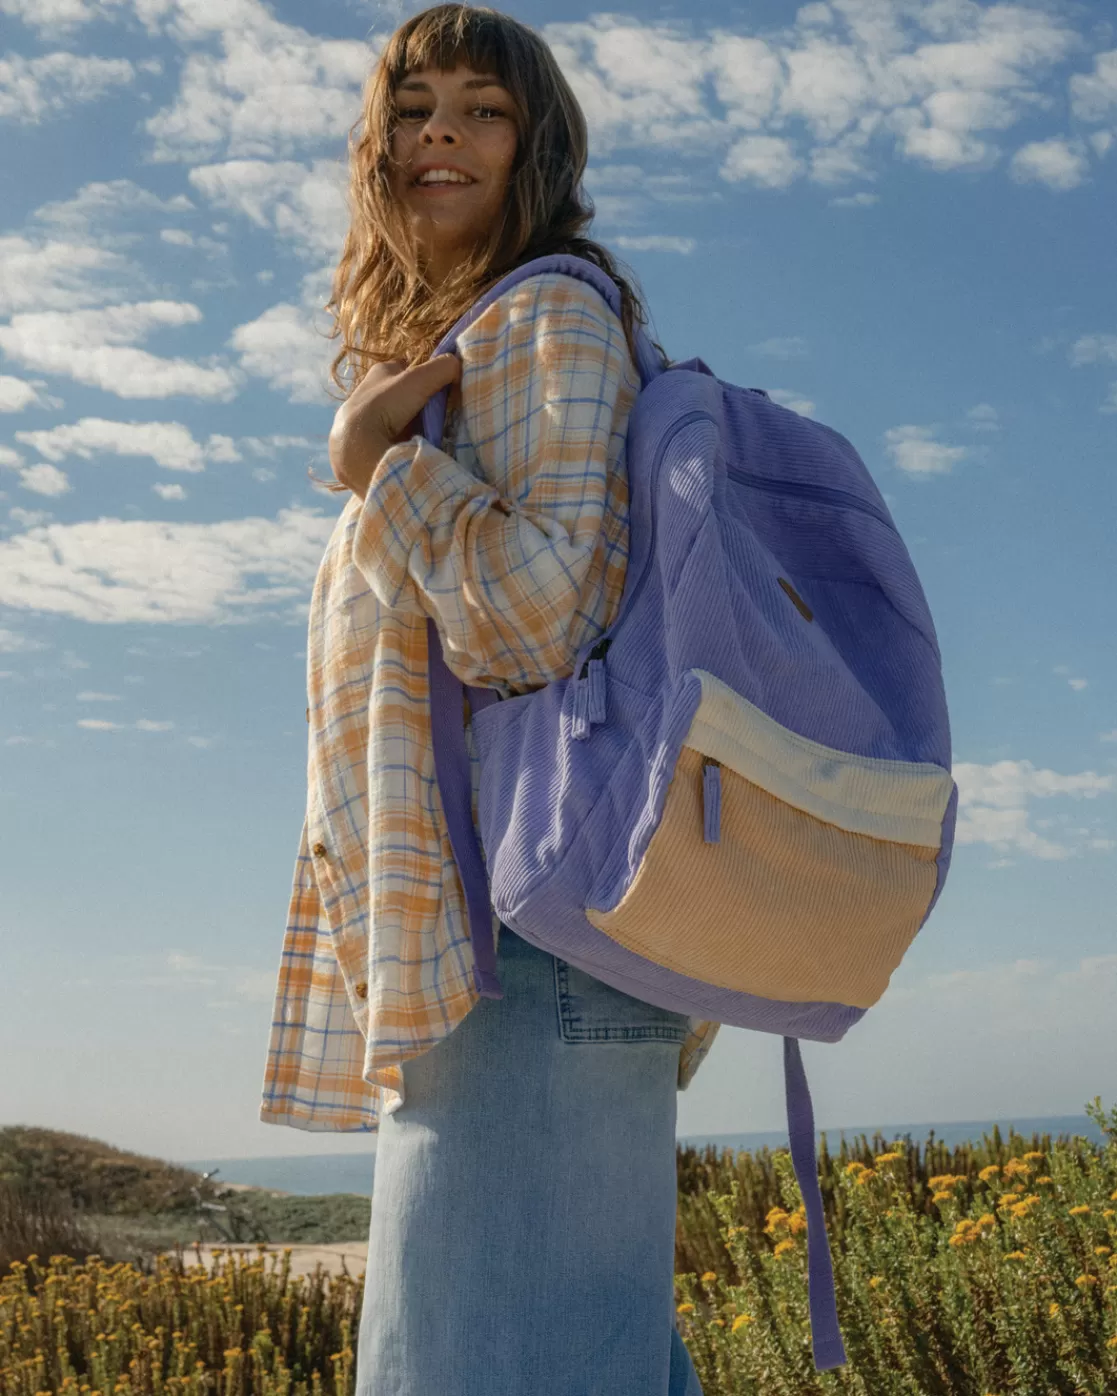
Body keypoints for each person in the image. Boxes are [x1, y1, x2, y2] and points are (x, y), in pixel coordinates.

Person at [259, 5, 718, 1391]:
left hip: (525, 938)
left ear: (536, 149)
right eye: (414, 107)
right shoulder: (476, 336)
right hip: (518, 938)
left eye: (483, 108)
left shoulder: (544, 314)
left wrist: (373, 468)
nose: (440, 131)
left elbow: (544, 614)